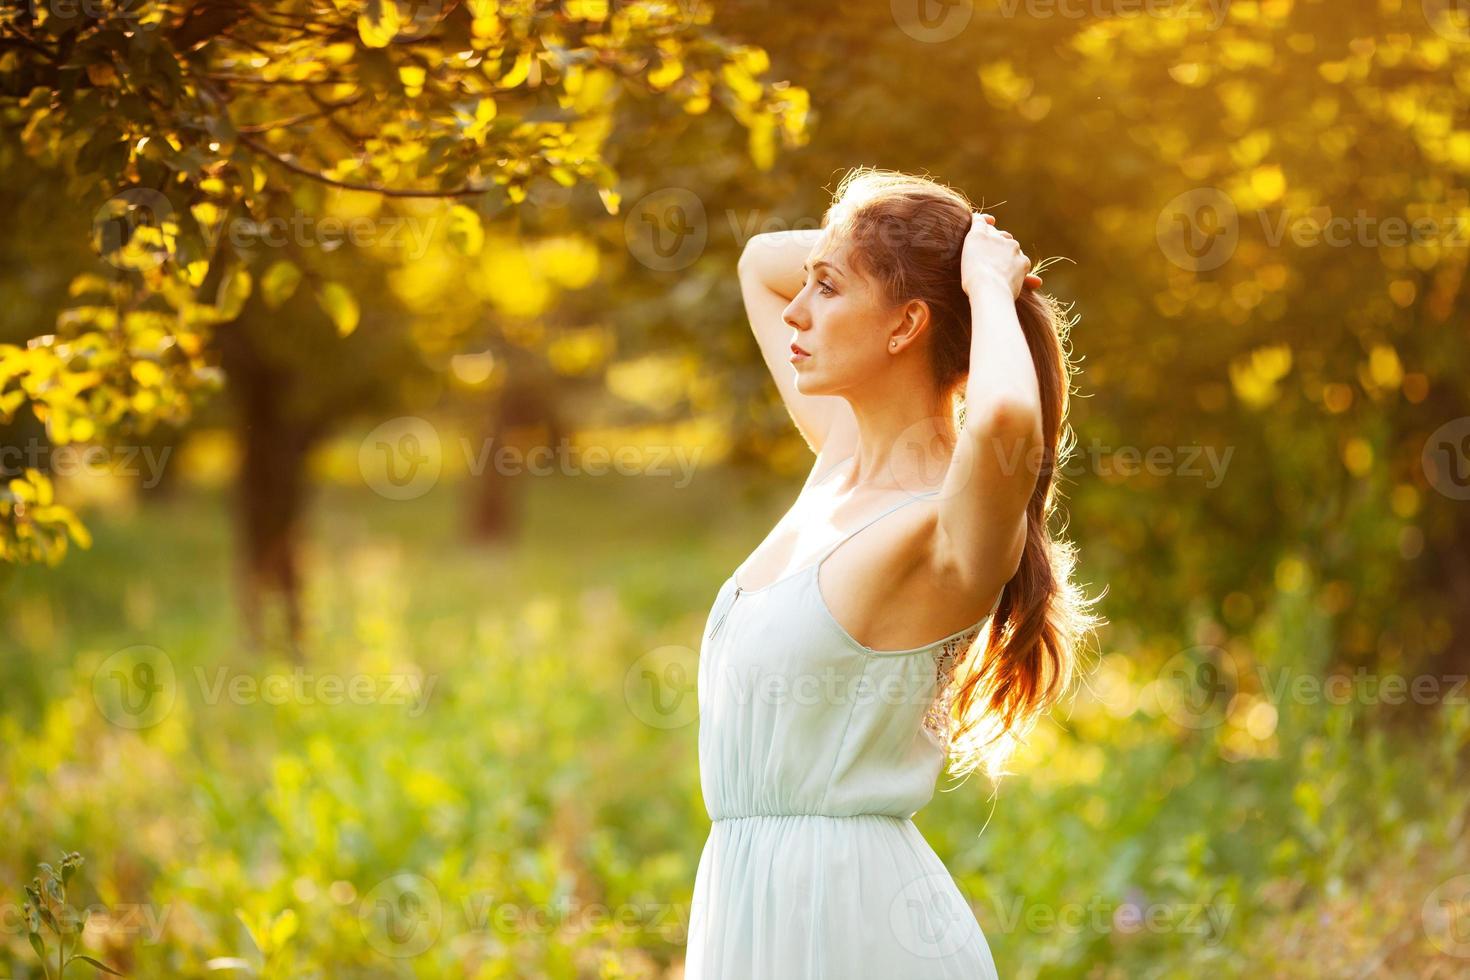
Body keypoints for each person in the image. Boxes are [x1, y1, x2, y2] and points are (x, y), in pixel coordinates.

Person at [684, 168, 1101, 978]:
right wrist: (906, 249)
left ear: (907, 324)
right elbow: (761, 262)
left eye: (829, 289)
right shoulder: (840, 458)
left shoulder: (945, 522)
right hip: (748, 912)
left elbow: (1009, 416)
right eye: (812, 286)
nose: (797, 309)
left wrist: (980, 280)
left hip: (856, 932)